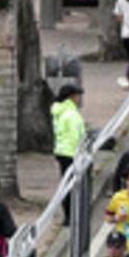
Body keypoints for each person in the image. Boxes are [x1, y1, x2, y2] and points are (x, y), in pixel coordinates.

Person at [50, 83, 85, 225]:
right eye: (77, 95)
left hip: (62, 152)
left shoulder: (61, 111)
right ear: (71, 97)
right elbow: (76, 135)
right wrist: (80, 152)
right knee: (71, 186)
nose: (79, 98)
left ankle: (69, 215)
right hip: (72, 153)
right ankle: (71, 216)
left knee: (66, 184)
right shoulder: (70, 114)